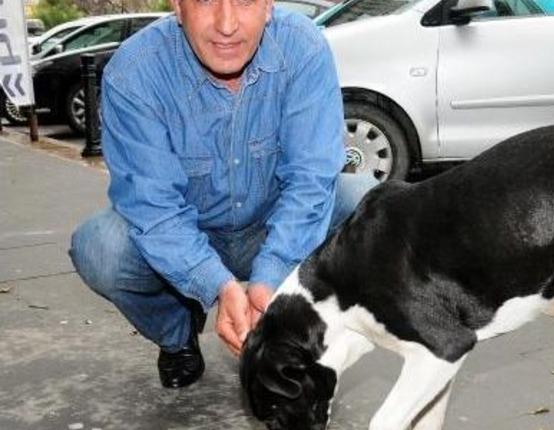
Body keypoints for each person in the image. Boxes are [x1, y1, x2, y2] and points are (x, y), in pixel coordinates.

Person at [69, 0, 378, 388]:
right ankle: (176, 333)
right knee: (100, 247)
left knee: (367, 204)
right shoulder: (134, 72)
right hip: (189, 232)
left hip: (271, 224)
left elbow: (310, 179)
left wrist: (270, 278)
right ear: (177, 5)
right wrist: (216, 285)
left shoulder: (303, 47)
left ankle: (307, 330)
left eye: (244, 0)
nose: (227, 24)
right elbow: (154, 207)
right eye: (205, 0)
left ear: (268, 5)